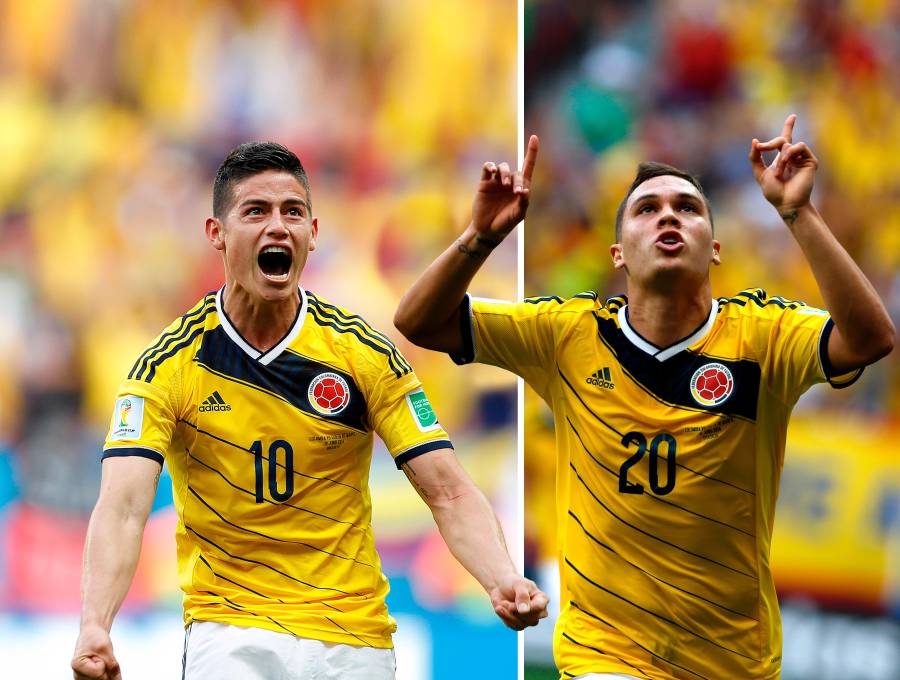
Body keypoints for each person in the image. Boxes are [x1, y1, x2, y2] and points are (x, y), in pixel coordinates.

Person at [393, 117, 895, 679]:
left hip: (733, 661)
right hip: (606, 655)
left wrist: (798, 211)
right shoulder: (565, 333)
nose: (668, 217)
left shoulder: (764, 337)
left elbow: (871, 340)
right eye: (647, 209)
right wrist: (480, 237)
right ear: (618, 253)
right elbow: (419, 322)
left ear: (716, 249)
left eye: (687, 207)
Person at [71, 142, 548, 680]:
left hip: (352, 636)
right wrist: (95, 624)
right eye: (256, 211)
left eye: (292, 212)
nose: (278, 226)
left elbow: (450, 489)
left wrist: (502, 578)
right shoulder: (167, 367)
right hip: (231, 632)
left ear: (313, 234)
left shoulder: (364, 355)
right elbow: (123, 507)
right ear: (216, 234)